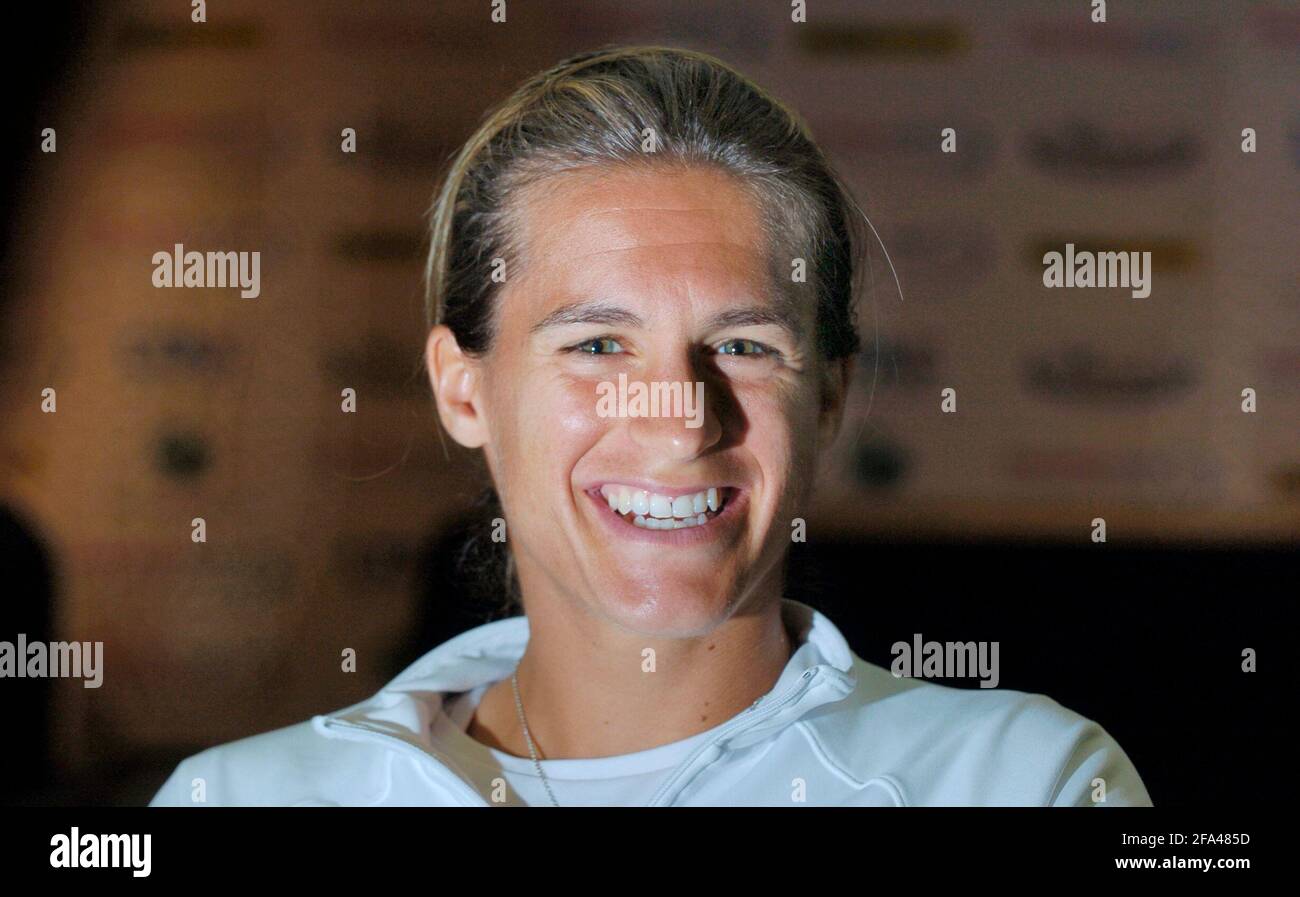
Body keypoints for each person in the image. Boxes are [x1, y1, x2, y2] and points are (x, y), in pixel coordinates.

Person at [150, 45, 1151, 807]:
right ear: (464, 392)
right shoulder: (238, 801)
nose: (677, 421)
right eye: (595, 345)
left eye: (744, 346)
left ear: (829, 398)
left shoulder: (1021, 784)